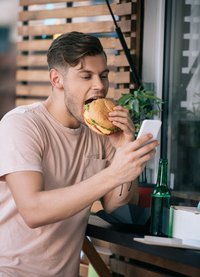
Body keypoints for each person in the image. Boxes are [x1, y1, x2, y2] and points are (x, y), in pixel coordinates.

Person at [0, 31, 159, 276]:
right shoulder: (22, 125)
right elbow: (33, 211)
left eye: (103, 76)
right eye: (86, 76)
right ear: (57, 79)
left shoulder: (102, 132)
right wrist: (113, 174)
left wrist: (124, 148)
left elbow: (119, 208)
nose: (100, 86)